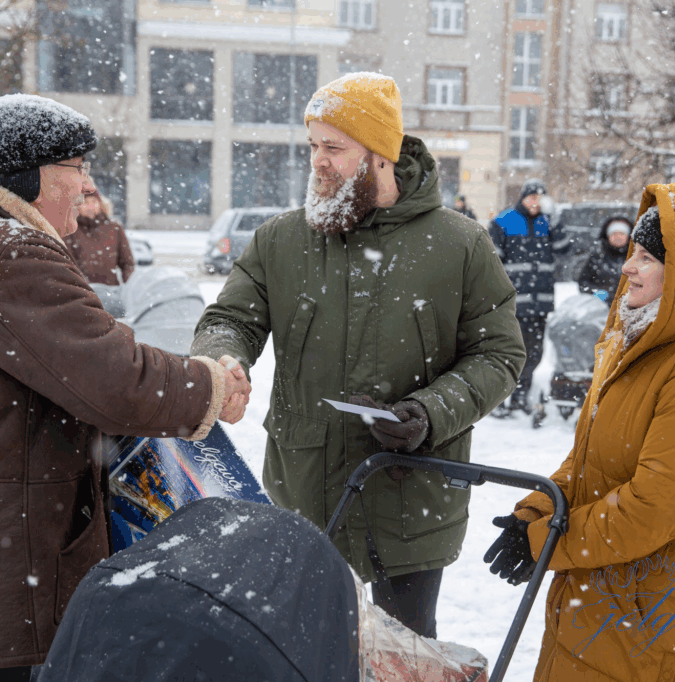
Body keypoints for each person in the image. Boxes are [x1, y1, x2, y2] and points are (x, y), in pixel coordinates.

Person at [0, 94, 250, 682]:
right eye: (76, 169)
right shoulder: (12, 253)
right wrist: (209, 385)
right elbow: (114, 378)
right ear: (30, 177)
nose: (86, 189)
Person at [190, 72, 526, 639]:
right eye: (313, 146)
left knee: (404, 656)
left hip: (411, 495)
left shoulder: (459, 244)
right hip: (306, 492)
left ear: (379, 157)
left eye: (334, 148)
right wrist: (223, 359)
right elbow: (230, 319)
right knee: (306, 651)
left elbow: (499, 354)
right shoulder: (280, 240)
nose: (318, 162)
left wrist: (429, 412)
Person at [483, 181, 675, 681]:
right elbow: (593, 461)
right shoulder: (648, 346)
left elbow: (655, 506)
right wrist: (538, 510)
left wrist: (547, 541)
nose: (627, 266)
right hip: (619, 608)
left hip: (664, 627)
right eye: (633, 252)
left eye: (646, 257)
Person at [488, 179, 570, 413]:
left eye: (540, 198)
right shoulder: (504, 222)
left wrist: (556, 221)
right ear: (522, 198)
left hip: (541, 301)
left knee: (534, 352)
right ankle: (502, 398)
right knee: (511, 350)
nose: (535, 203)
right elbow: (493, 261)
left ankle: (521, 395)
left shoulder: (548, 222)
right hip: (514, 301)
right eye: (531, 197)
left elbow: (564, 249)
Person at [63, 180, 136, 286]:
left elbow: (128, 264)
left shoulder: (114, 229)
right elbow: (69, 265)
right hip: (81, 293)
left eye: (94, 202)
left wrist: (129, 285)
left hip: (112, 291)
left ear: (101, 203)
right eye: (85, 203)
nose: (91, 207)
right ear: (77, 205)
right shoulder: (70, 230)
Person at [576, 215, 632, 305]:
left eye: (621, 234)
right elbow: (584, 282)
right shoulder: (598, 257)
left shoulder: (637, 257)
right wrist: (595, 292)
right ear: (607, 236)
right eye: (614, 234)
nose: (618, 237)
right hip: (601, 309)